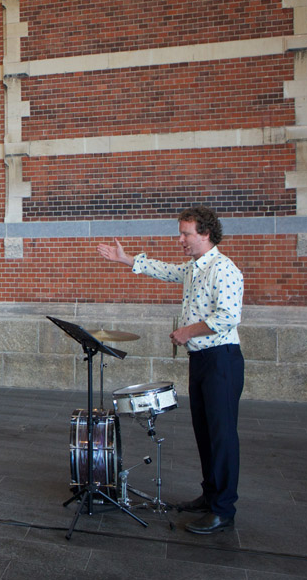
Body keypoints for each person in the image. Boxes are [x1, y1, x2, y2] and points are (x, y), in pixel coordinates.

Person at [96, 205, 244, 535]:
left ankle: (223, 509)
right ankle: (209, 496)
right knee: (205, 433)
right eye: (181, 232)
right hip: (203, 359)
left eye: (186, 233)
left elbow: (228, 317)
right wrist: (126, 259)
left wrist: (187, 332)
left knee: (222, 436)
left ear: (205, 234)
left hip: (223, 360)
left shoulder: (224, 269)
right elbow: (167, 271)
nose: (180, 239)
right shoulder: (195, 268)